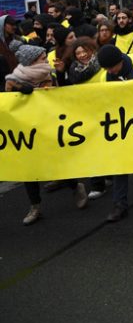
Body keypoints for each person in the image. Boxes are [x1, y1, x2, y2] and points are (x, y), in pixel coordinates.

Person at [5, 44, 88, 224]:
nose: (46, 61)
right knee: (29, 171)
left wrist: (58, 75)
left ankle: (76, 186)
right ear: (31, 61)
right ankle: (35, 207)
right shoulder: (12, 80)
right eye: (42, 58)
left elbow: (59, 97)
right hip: (25, 132)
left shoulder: (48, 74)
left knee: (57, 163)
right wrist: (20, 90)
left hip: (48, 128)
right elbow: (7, 104)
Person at [96, 44, 133, 223]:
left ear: (120, 61)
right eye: (107, 68)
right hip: (122, 125)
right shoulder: (105, 77)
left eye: (113, 67)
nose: (111, 71)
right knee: (119, 163)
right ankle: (120, 205)